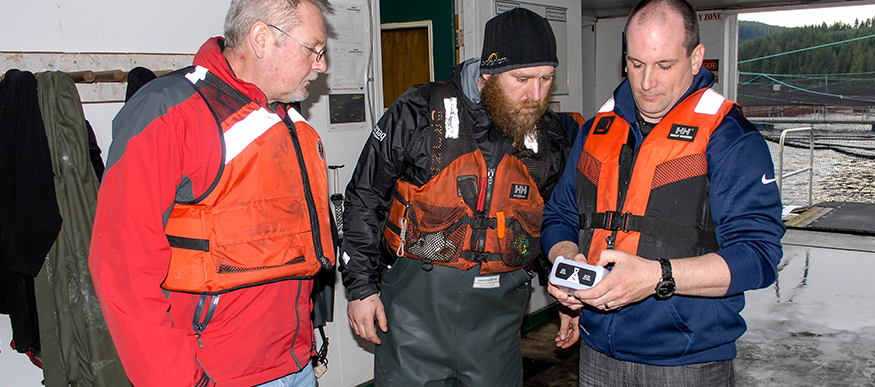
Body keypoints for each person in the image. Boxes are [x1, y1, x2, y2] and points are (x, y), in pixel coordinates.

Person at [88, 1, 336, 386]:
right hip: (214, 376)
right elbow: (123, 270)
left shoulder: (289, 121)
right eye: (314, 50)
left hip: (296, 367)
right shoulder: (170, 112)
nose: (321, 65)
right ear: (261, 38)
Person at [541, 0, 785, 385]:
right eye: (636, 64)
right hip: (596, 354)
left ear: (696, 59)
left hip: (686, 362)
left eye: (664, 66)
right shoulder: (596, 131)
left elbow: (758, 257)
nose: (646, 82)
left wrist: (656, 276)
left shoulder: (731, 138)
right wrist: (567, 260)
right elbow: (559, 217)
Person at [339, 8, 571, 386]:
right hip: (414, 318)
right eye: (522, 78)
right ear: (489, 74)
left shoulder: (548, 139)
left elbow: (548, 223)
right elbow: (366, 196)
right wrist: (361, 289)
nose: (536, 94)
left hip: (497, 325)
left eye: (546, 79)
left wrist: (564, 293)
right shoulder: (419, 112)